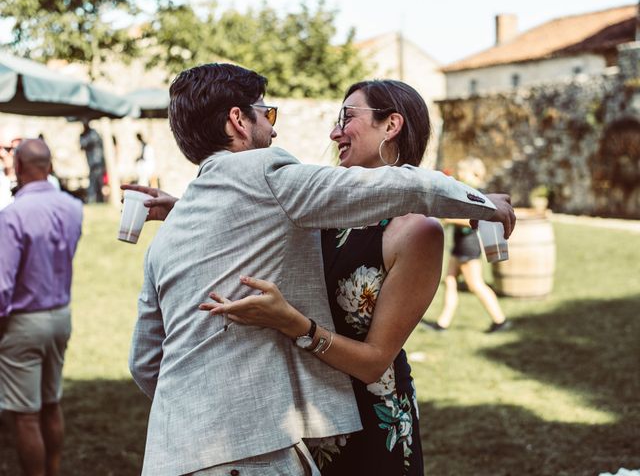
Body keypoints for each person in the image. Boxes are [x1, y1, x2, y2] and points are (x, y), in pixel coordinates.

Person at [125, 63, 515, 476]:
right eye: (267, 113)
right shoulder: (271, 177)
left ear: (392, 125)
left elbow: (145, 362)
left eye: (346, 118)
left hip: (190, 449)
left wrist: (196, 411)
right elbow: (408, 187)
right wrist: (486, 204)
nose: (274, 130)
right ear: (238, 120)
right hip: (265, 444)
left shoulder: (168, 239)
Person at [197, 79, 444, 475]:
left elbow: (374, 363)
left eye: (347, 117)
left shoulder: (417, 232)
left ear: (391, 125)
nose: (334, 132)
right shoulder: (320, 208)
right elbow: (253, 212)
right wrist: (177, 210)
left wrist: (291, 323)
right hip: (303, 417)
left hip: (371, 426)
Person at [0, 139, 83, 476]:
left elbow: (2, 285)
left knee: (26, 414)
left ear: (17, 168)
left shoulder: (11, 216)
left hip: (23, 322)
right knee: (51, 403)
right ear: (49, 167)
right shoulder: (73, 207)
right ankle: (54, 469)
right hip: (61, 314)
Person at [423, 157, 510, 333]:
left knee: (475, 284)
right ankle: (442, 323)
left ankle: (500, 320)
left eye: (463, 171)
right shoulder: (467, 191)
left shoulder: (477, 194)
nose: (459, 174)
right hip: (459, 244)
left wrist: (449, 218)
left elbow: (478, 220)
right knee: (450, 280)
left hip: (468, 245)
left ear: (475, 174)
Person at [79, 120, 106, 203]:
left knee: (99, 182)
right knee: (93, 182)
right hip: (91, 163)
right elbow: (82, 145)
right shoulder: (83, 135)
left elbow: (94, 141)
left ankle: (100, 199)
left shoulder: (93, 133)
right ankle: (92, 199)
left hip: (98, 162)